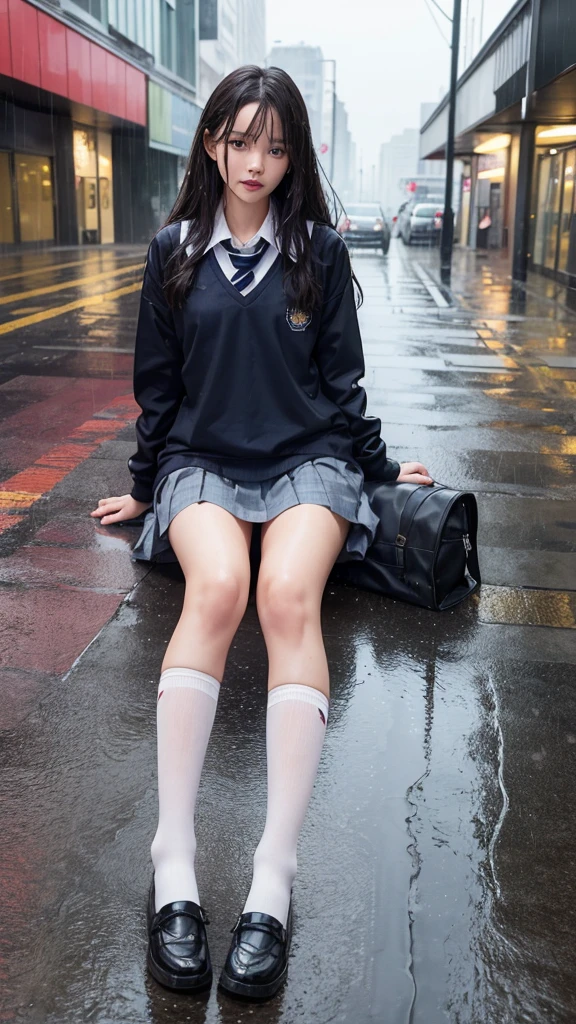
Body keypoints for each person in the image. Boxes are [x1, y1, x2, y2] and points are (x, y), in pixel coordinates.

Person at [91, 64, 432, 1001]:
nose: (258, 162)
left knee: (287, 594)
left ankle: (273, 885)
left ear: (294, 157)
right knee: (220, 588)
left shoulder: (319, 249)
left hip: (307, 462)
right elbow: (158, 393)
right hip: (200, 461)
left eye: (277, 147)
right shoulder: (172, 252)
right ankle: (174, 867)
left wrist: (374, 465)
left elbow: (342, 383)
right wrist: (140, 487)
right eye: (242, 141)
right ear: (212, 142)